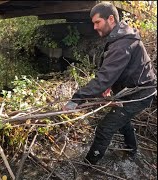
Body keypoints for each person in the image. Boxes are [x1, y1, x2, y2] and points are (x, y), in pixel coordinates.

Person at [62, 2, 157, 165]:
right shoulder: (120, 36)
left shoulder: (122, 43)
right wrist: (108, 85)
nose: (94, 27)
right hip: (131, 90)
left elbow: (104, 76)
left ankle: (88, 166)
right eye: (93, 23)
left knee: (105, 128)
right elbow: (116, 69)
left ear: (111, 19)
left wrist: (76, 99)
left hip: (140, 93)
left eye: (97, 22)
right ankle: (132, 152)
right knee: (121, 119)